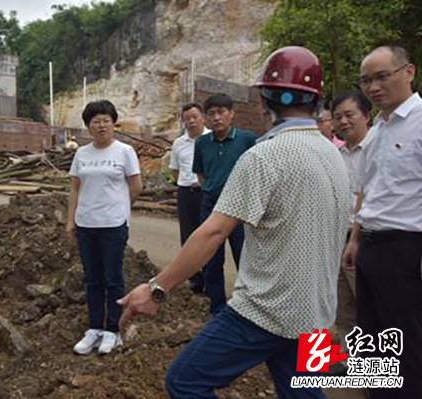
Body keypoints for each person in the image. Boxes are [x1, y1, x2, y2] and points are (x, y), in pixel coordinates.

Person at [118, 46, 350, 398]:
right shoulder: (334, 155)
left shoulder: (262, 156)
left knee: (184, 382)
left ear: (262, 102)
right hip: (315, 314)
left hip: (264, 312)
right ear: (316, 103)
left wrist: (156, 288)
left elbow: (212, 232)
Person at [342, 45, 422, 398]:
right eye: (365, 80)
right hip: (371, 246)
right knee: (370, 335)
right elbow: (368, 191)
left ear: (409, 72)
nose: (373, 86)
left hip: (407, 249)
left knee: (405, 341)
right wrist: (356, 239)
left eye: (381, 76)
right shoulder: (377, 128)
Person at [66, 100, 142, 355]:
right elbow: (75, 188)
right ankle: (94, 328)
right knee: (92, 279)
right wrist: (71, 220)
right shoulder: (82, 154)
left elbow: (136, 185)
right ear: (88, 126)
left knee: (113, 279)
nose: (101, 125)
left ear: (113, 122)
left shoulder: (125, 151)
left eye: (105, 120)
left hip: (113, 225)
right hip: (86, 225)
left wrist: (120, 208)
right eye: (95, 121)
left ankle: (113, 331)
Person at [192, 94, 257, 315]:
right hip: (211, 205)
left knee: (244, 257)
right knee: (211, 258)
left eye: (222, 112)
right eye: (211, 113)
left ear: (232, 114)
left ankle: (247, 307)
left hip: (241, 209)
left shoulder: (247, 139)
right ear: (206, 118)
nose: (217, 117)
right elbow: (201, 174)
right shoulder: (201, 143)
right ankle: (217, 307)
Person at [328, 90, 372, 375]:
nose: (343, 121)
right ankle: (345, 361)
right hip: (334, 238)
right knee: (339, 304)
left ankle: (374, 373)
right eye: (337, 117)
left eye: (349, 115)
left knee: (369, 306)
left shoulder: (377, 149)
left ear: (366, 115)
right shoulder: (333, 154)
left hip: (367, 239)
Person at [169, 102, 208, 293]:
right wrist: (185, 183)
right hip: (186, 194)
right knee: (188, 236)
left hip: (207, 193)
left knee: (209, 235)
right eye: (187, 118)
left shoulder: (212, 138)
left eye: (195, 117)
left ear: (203, 117)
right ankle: (194, 278)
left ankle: (211, 277)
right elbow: (174, 170)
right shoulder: (179, 143)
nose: (191, 121)